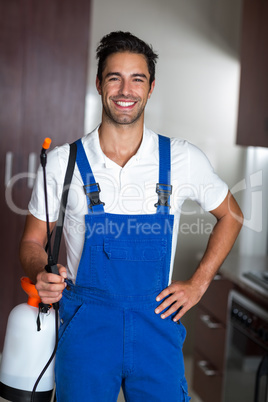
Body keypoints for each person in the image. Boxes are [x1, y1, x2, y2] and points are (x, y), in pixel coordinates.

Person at [20, 31, 243, 402]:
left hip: (156, 326)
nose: (126, 90)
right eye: (114, 78)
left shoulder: (182, 158)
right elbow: (31, 242)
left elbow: (232, 214)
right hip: (85, 327)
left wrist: (199, 283)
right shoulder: (63, 161)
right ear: (98, 84)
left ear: (151, 87)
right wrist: (39, 271)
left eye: (137, 78)